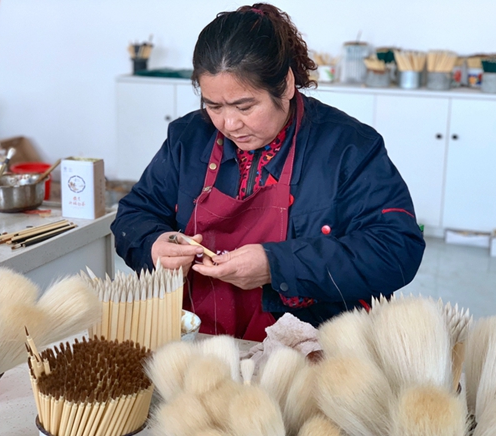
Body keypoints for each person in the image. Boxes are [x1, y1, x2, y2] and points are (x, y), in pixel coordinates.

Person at [111, 3, 425, 341]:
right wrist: (154, 245)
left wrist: (277, 266)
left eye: (245, 107)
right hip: (199, 342)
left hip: (307, 354)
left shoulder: (348, 147)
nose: (229, 124)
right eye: (214, 106)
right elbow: (134, 214)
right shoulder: (188, 138)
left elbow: (395, 249)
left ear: (286, 85)